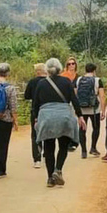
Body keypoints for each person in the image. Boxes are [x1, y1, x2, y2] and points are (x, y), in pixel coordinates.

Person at [33, 58, 86, 187]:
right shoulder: (66, 81)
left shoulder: (41, 84)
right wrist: (80, 116)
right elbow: (74, 99)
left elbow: (35, 103)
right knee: (63, 146)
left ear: (47, 69)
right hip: (64, 117)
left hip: (47, 118)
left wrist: (36, 119)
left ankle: (50, 178)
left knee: (49, 147)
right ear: (60, 68)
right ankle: (58, 170)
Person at [75, 63, 106, 158]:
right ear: (94, 71)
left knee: (82, 129)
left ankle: (83, 151)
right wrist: (103, 110)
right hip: (94, 109)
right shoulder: (97, 80)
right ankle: (93, 148)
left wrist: (76, 110)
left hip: (82, 109)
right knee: (95, 128)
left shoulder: (79, 80)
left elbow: (75, 95)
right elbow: (102, 96)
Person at [24, 63, 47, 168]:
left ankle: (37, 159)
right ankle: (47, 154)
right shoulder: (49, 81)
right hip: (47, 110)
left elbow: (26, 96)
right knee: (48, 133)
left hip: (36, 110)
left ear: (37, 71)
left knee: (35, 134)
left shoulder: (33, 82)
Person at [60, 56, 80, 151]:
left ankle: (73, 140)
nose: (71, 65)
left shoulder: (78, 76)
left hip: (75, 100)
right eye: (69, 64)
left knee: (74, 121)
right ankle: (67, 140)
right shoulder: (63, 75)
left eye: (73, 63)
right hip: (66, 101)